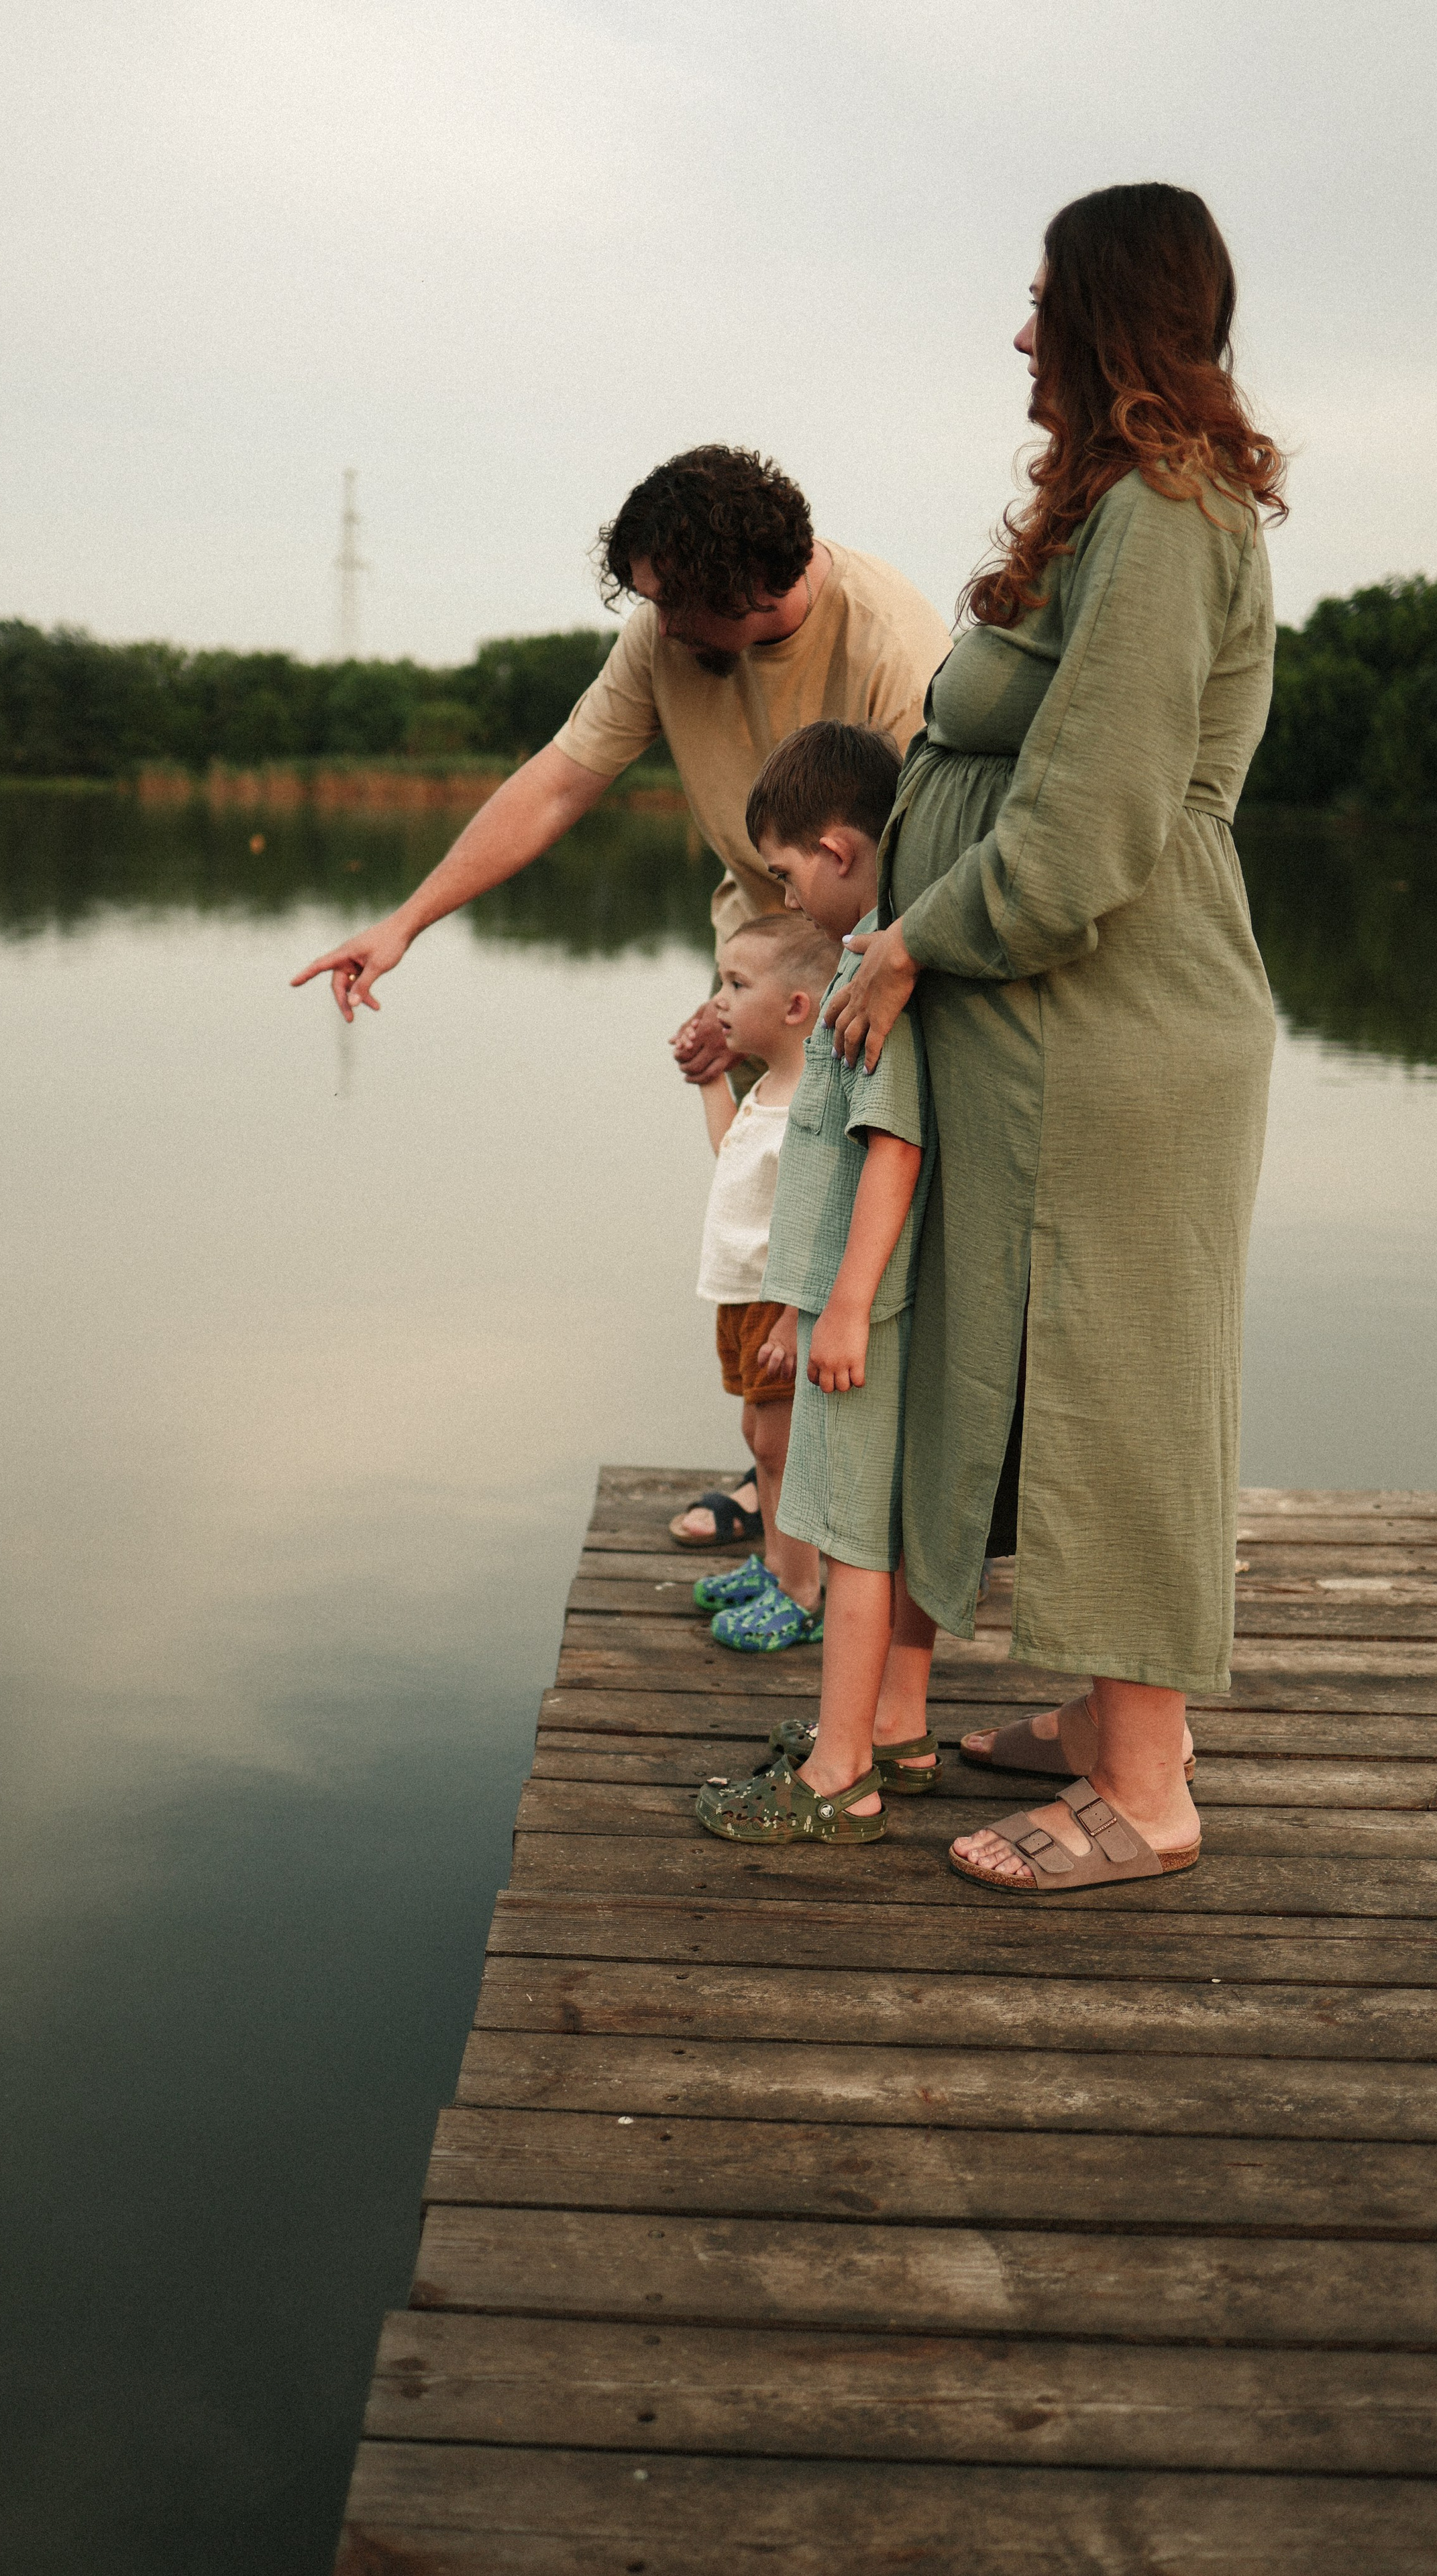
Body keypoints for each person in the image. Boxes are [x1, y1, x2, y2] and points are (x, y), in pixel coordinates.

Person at [824, 184, 1285, 1896]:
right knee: (1055, 1375)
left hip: (1116, 1029)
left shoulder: (1165, 517)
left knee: (1118, 1384)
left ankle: (1146, 1788)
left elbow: (1097, 826)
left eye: (1040, 304)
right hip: (1060, 1028)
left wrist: (908, 936)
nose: (1019, 334)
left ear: (1103, 319)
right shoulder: (1124, 515)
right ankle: (1101, 1725)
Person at [290, 445, 951, 1548]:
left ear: (741, 590)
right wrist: (405, 920)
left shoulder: (895, 644)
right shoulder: (664, 640)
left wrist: (881, 974)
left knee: (863, 1237)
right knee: (762, 1228)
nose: (652, 621)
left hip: (875, 971)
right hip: (760, 964)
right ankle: (779, 1487)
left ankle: (879, 1509)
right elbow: (558, 782)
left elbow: (942, 845)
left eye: (668, 599)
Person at [696, 722, 939, 1842]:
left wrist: (838, 1307)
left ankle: (842, 1777)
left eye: (789, 875)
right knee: (866, 1534)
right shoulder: (865, 967)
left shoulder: (869, 987)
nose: (788, 898)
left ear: (841, 852)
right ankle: (893, 1727)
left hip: (864, 1319)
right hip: (845, 1307)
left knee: (851, 1543)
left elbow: (891, 1145)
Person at [686, 910, 841, 1652]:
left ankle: (800, 1592)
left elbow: (817, 1222)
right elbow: (732, 1156)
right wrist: (712, 1079)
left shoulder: (812, 1098)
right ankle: (776, 1564)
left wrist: (791, 1318)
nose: (718, 998)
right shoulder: (771, 1084)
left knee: (785, 1449)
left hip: (779, 1302)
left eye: (736, 983)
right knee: (760, 1436)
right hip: (742, 1295)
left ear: (795, 1008)